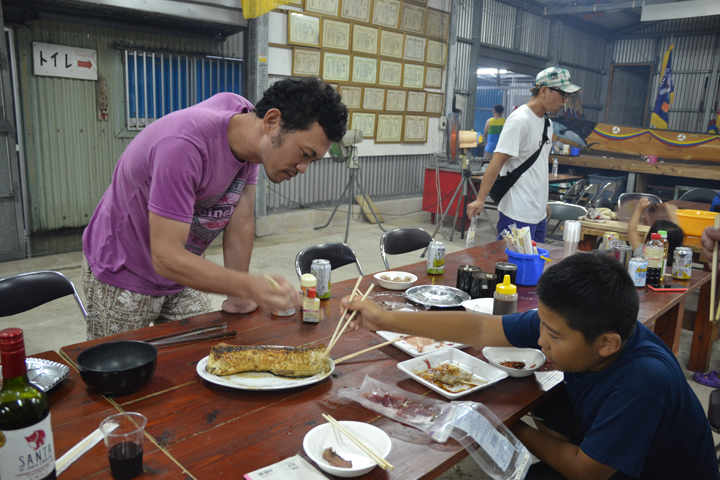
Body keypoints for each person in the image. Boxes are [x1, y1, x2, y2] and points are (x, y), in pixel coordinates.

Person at [342, 253, 718, 480]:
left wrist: (502, 424)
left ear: (607, 344)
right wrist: (383, 319)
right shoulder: (590, 324)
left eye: (553, 337)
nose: (541, 341)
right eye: (543, 328)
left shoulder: (642, 381)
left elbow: (584, 472)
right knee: (541, 397)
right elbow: (479, 326)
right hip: (618, 445)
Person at [82, 77, 348, 340]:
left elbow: (240, 220)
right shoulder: (183, 146)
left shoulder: (249, 131)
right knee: (123, 372)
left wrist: (240, 296)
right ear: (272, 121)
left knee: (200, 355)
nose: (303, 169)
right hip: (123, 268)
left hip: (183, 269)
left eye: (312, 160)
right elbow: (165, 256)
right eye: (304, 154)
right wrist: (250, 286)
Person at [467, 67, 581, 243]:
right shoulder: (520, 120)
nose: (565, 101)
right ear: (544, 91)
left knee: (535, 266)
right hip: (517, 211)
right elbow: (496, 162)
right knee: (511, 266)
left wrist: (544, 201)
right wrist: (480, 199)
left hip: (538, 212)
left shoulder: (547, 123)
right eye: (563, 95)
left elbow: (539, 165)